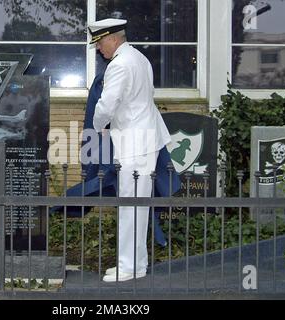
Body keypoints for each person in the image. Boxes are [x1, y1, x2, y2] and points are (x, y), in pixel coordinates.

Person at [88, 18, 175, 282]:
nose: (99, 49)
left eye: (101, 42)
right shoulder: (139, 58)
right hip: (144, 140)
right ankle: (135, 265)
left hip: (135, 143)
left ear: (113, 38)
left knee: (130, 205)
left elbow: (106, 105)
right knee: (136, 205)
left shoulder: (119, 65)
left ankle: (129, 268)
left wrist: (97, 125)